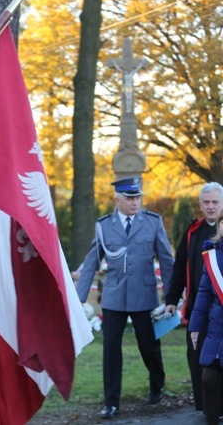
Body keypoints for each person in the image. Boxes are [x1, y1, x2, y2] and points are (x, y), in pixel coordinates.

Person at [75, 176, 174, 419]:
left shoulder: (152, 222)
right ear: (116, 199)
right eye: (130, 198)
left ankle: (157, 383)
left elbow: (167, 261)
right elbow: (91, 262)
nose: (135, 202)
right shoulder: (104, 226)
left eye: (137, 197)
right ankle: (111, 403)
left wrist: (171, 297)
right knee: (110, 351)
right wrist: (79, 298)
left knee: (149, 347)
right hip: (114, 298)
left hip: (145, 296)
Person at [165, 182, 223, 412]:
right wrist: (171, 299)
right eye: (206, 202)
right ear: (200, 205)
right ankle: (205, 409)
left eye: (215, 202)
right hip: (197, 310)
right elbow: (179, 268)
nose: (210, 207)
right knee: (198, 359)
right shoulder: (192, 233)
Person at [189, 209, 223, 425]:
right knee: (208, 379)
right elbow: (202, 293)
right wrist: (195, 325)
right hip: (216, 328)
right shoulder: (211, 256)